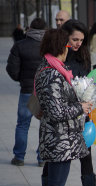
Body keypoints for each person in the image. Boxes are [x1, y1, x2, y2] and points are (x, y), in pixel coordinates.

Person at [41, 20, 96, 186]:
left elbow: (88, 81)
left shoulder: (83, 55)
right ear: (64, 38)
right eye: (74, 39)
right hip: (61, 119)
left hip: (82, 116)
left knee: (86, 157)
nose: (78, 43)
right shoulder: (56, 59)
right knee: (54, 161)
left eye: (82, 40)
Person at [35, 29, 92, 186]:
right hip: (59, 139)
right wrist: (81, 107)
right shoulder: (51, 73)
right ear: (60, 47)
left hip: (59, 137)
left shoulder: (52, 68)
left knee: (54, 185)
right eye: (68, 45)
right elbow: (56, 112)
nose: (69, 50)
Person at [7, 18, 47, 167]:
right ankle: (42, 158)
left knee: (23, 125)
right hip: (44, 91)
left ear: (29, 28)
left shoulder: (20, 45)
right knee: (44, 124)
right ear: (45, 30)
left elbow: (11, 68)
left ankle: (19, 157)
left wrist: (21, 79)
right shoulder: (48, 46)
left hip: (26, 90)